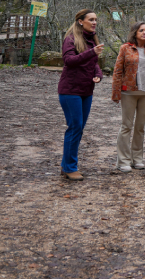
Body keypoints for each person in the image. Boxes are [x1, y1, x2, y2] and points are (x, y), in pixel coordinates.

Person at [58, 9, 104, 181]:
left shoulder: (92, 40)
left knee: (78, 129)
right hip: (70, 91)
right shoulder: (71, 39)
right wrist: (91, 53)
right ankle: (70, 167)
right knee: (75, 127)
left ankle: (66, 165)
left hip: (86, 90)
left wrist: (98, 74)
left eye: (96, 20)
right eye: (91, 19)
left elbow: (94, 63)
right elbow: (68, 61)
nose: (94, 22)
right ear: (80, 21)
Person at [111, 22, 145, 173]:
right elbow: (117, 71)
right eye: (141, 30)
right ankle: (123, 160)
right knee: (126, 126)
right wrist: (116, 93)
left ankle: (137, 159)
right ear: (135, 32)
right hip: (128, 92)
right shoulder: (125, 48)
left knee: (140, 127)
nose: (144, 32)